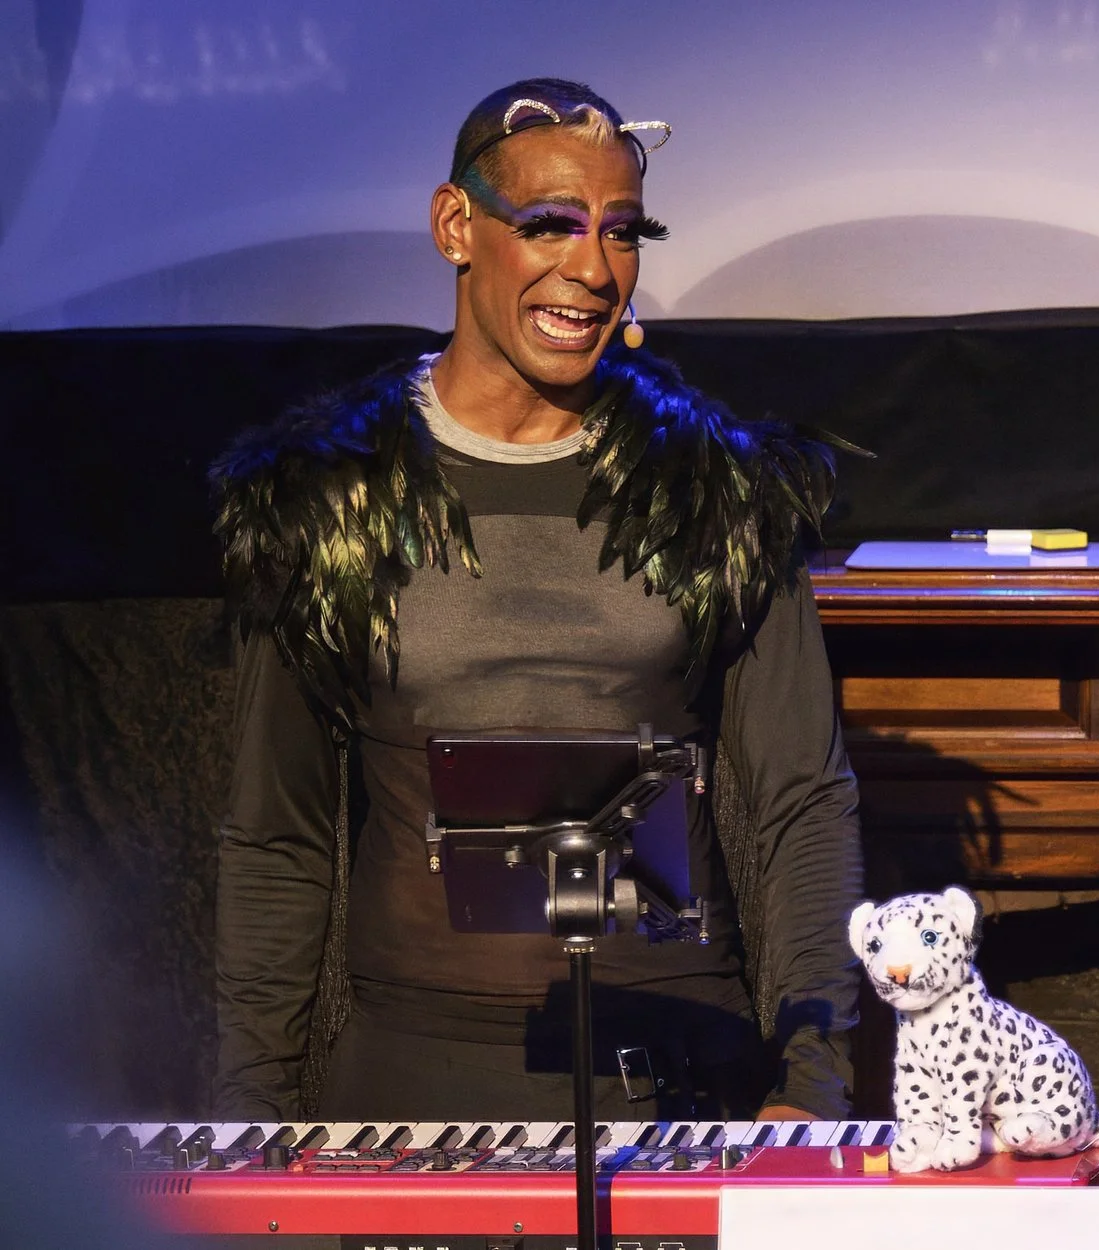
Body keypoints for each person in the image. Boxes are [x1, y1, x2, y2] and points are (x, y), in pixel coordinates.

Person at [209, 78, 863, 1123]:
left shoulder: (718, 488)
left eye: (622, 232)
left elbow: (802, 804)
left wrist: (811, 1087)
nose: (593, 270)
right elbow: (276, 835)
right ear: (456, 225)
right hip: (410, 1089)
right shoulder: (325, 495)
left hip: (678, 1077)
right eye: (550, 224)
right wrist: (253, 1118)